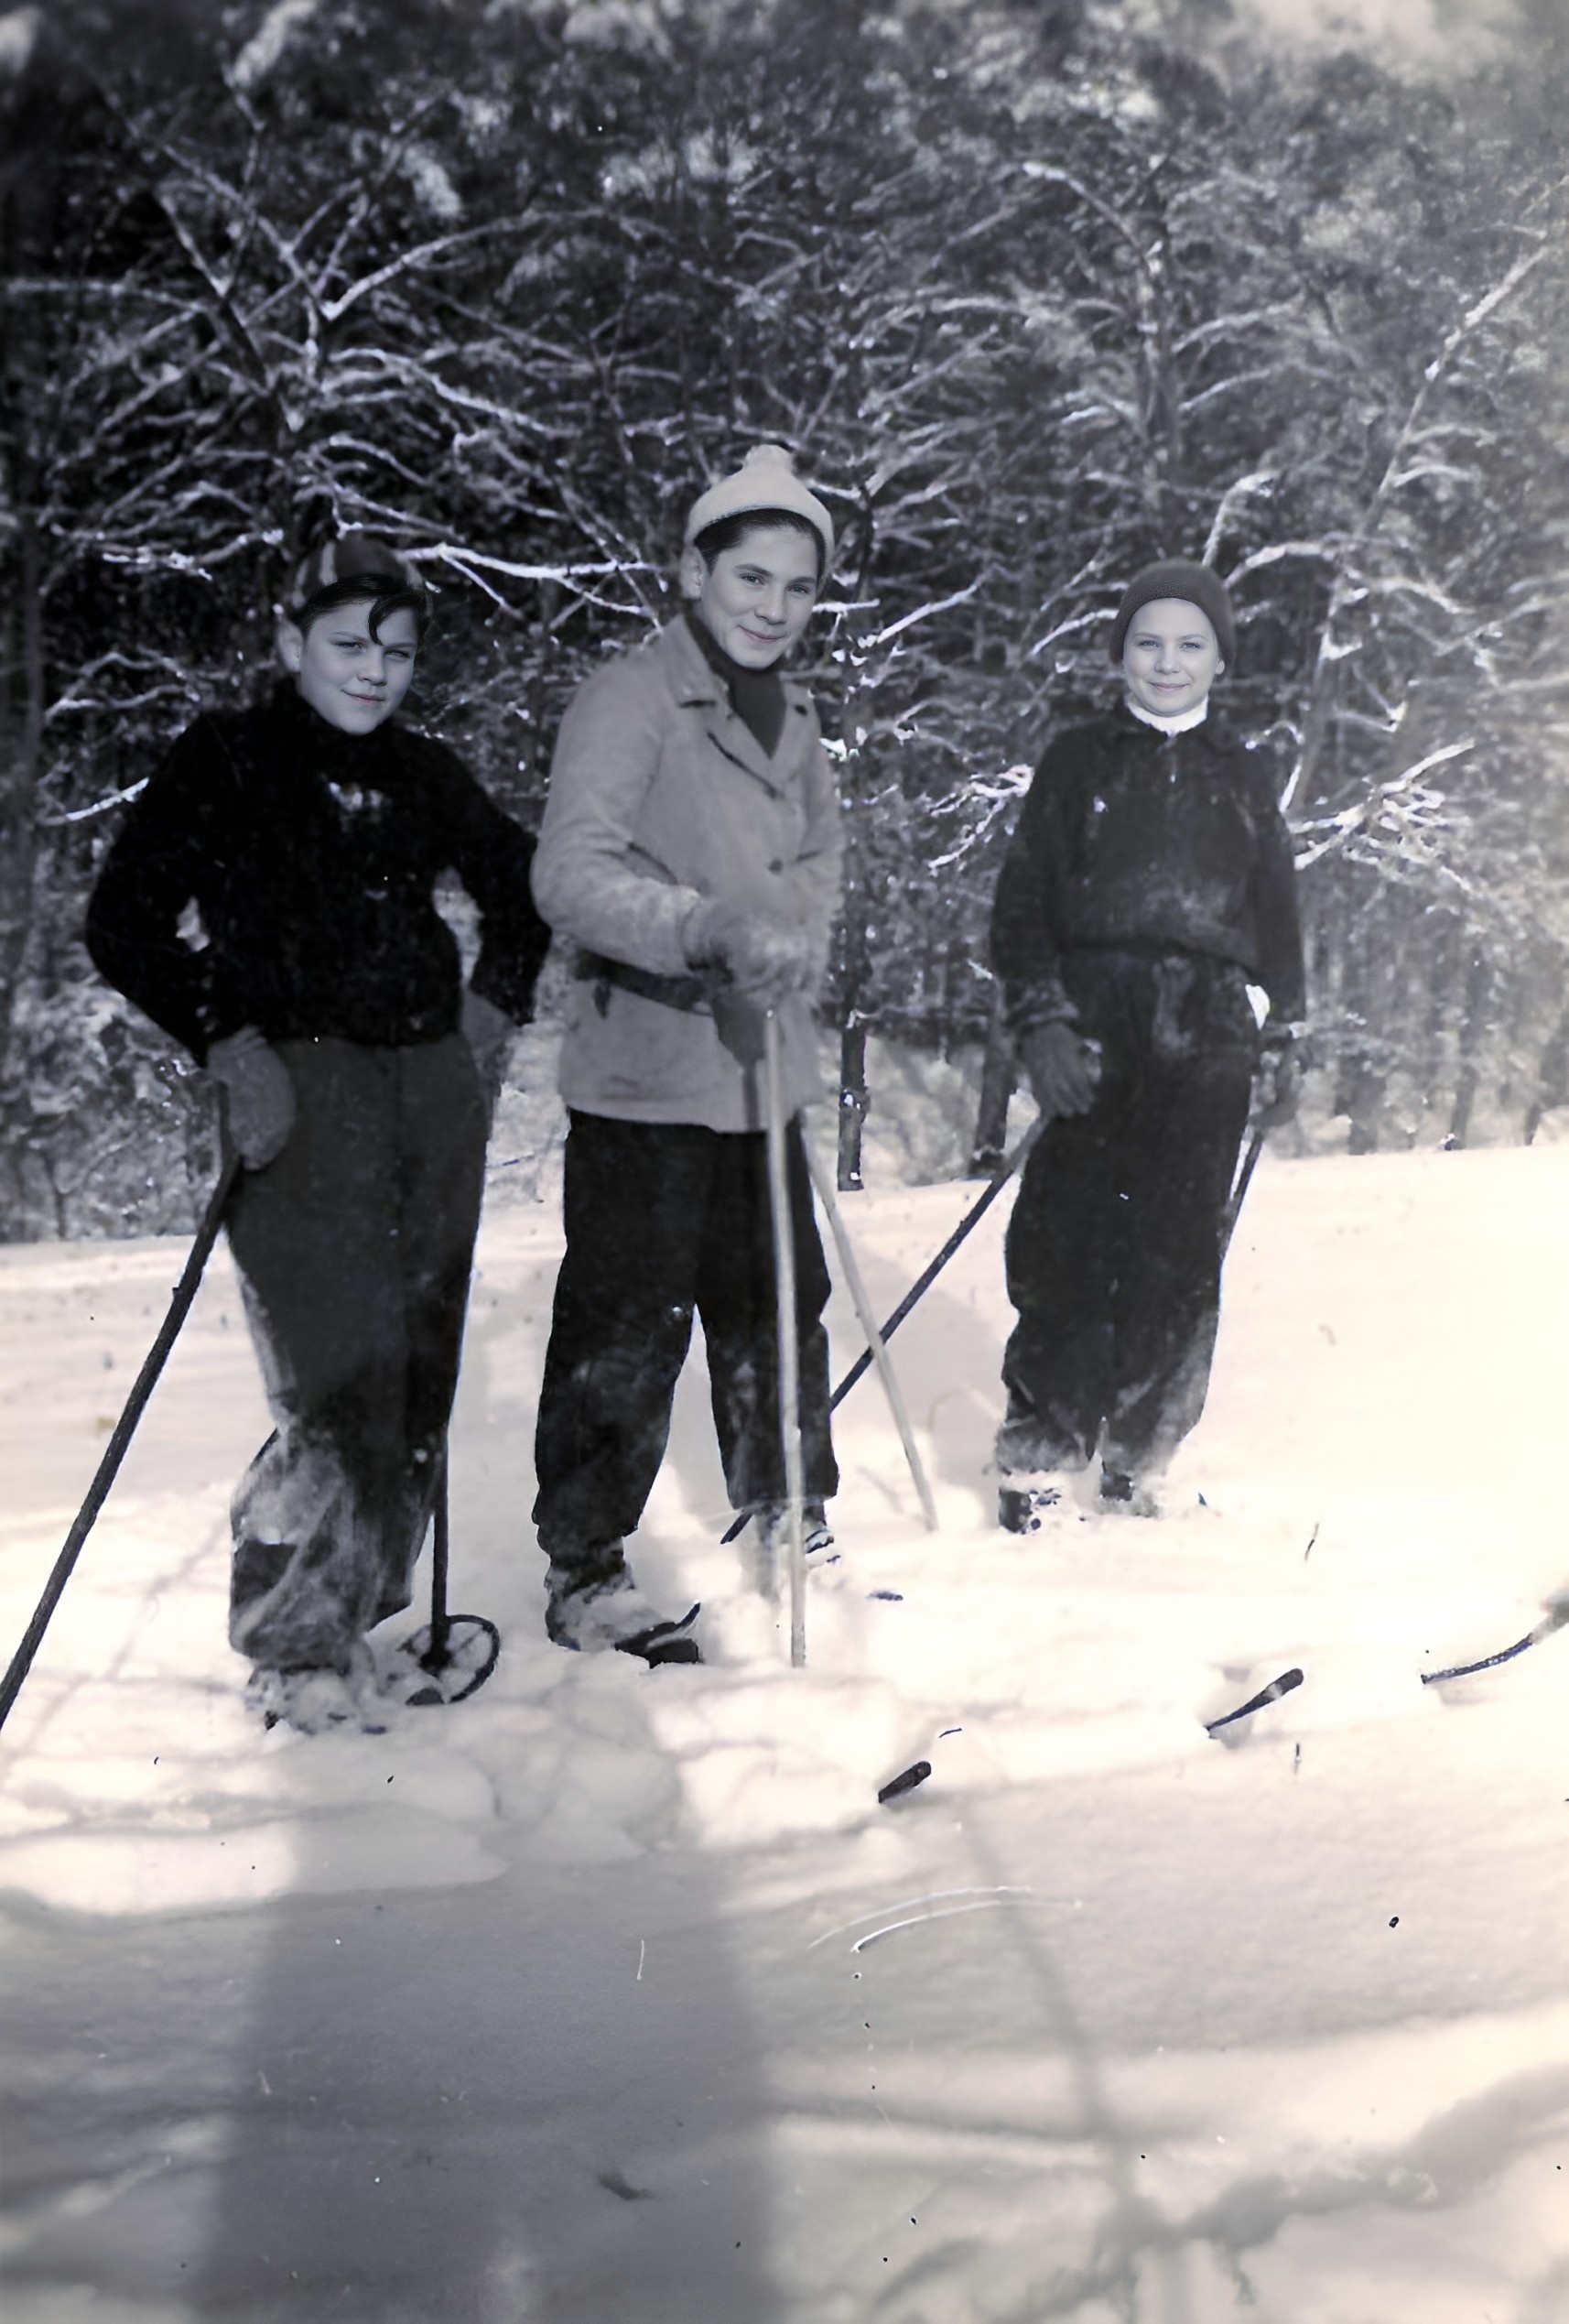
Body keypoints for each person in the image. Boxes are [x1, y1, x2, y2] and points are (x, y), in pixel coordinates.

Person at [86, 533, 550, 1730]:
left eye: (397, 648)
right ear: (291, 641)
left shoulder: (424, 771)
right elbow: (123, 918)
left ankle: (361, 1618)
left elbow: (521, 885)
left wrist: (490, 1013)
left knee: (414, 1376)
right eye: (349, 642)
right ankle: (293, 1647)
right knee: (332, 1378)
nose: (375, 668)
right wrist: (228, 1040)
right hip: (300, 1089)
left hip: (426, 1091)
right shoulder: (229, 758)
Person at [529, 442, 842, 1658]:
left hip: (764, 1068)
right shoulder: (629, 699)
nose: (772, 609)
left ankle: (786, 1507)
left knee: (780, 1305)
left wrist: (789, 940)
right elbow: (569, 872)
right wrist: (702, 931)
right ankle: (586, 1561)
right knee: (627, 1318)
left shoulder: (799, 717)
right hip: (649, 1070)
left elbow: (816, 863)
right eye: (749, 578)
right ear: (692, 571)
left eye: (798, 587)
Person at [990, 557, 1305, 1526]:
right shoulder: (1078, 759)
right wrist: (1039, 1020)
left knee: (1177, 1248)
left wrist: (1286, 1029)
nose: (1166, 664)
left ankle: (1138, 1461)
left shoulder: (1243, 774)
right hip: (1094, 1020)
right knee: (1068, 1238)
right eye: (1147, 644)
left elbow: (1278, 914)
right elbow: (1022, 904)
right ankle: (1041, 1458)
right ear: (1120, 652)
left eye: (1189, 645)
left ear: (1219, 659)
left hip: (1207, 1027)